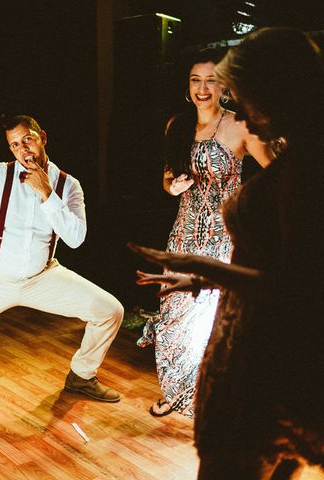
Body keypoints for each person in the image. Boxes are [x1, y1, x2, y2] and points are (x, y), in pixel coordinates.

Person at [130, 27, 323, 479]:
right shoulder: (183, 128)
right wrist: (200, 276)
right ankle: (178, 392)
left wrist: (207, 269)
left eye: (244, 94)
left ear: (279, 92)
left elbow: (302, 286)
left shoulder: (308, 175)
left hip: (269, 336)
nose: (240, 108)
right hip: (236, 306)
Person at [0, 115, 124, 407]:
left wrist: (46, 194)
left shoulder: (68, 185)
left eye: (27, 139)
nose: (23, 149)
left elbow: (76, 238)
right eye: (15, 144)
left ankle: (81, 375)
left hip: (43, 277)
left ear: (42, 136)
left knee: (110, 311)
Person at [139, 49, 274, 417]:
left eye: (210, 80)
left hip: (224, 237)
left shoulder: (240, 126)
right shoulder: (177, 126)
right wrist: (174, 187)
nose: (203, 87)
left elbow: (277, 172)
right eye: (195, 80)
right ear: (188, 86)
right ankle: (175, 392)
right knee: (174, 316)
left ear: (224, 85)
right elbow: (167, 178)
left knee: (215, 319)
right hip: (183, 235)